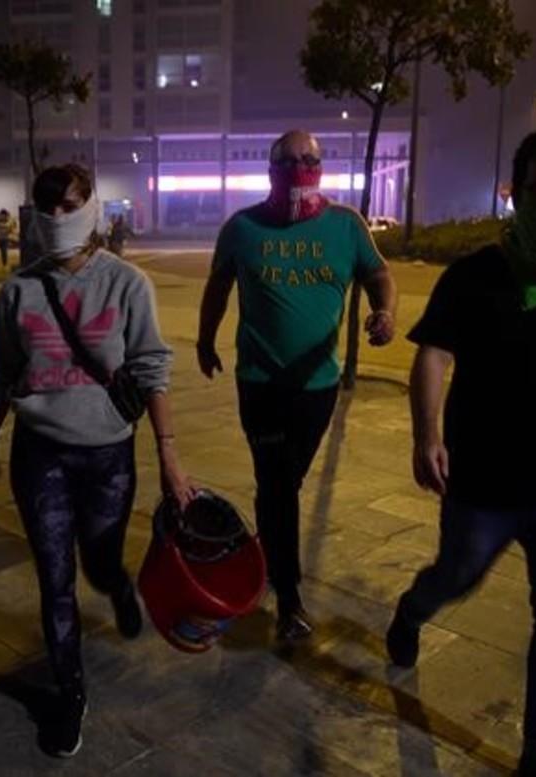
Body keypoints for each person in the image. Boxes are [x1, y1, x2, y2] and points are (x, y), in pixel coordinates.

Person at [386, 130, 536, 777]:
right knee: (455, 578)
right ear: (516, 195)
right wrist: (428, 435)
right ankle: (412, 609)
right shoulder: (475, 276)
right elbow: (433, 353)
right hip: (483, 485)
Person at [0, 163, 195, 758]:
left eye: (70, 205)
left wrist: (169, 457)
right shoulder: (17, 291)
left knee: (98, 562)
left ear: (93, 209)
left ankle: (118, 586)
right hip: (39, 451)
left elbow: (151, 369)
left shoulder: (127, 285)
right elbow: (3, 374)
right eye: (46, 207)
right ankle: (69, 693)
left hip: (108, 455)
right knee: (54, 579)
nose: (57, 218)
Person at [197, 130, 398, 642]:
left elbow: (380, 275)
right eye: (288, 160)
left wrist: (385, 311)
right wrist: (205, 341)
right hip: (260, 383)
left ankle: (264, 549)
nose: (299, 168)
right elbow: (217, 287)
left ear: (322, 165)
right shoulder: (242, 228)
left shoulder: (346, 226)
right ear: (270, 168)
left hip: (318, 386)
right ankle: (288, 599)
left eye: (309, 159)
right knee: (279, 483)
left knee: (284, 483)